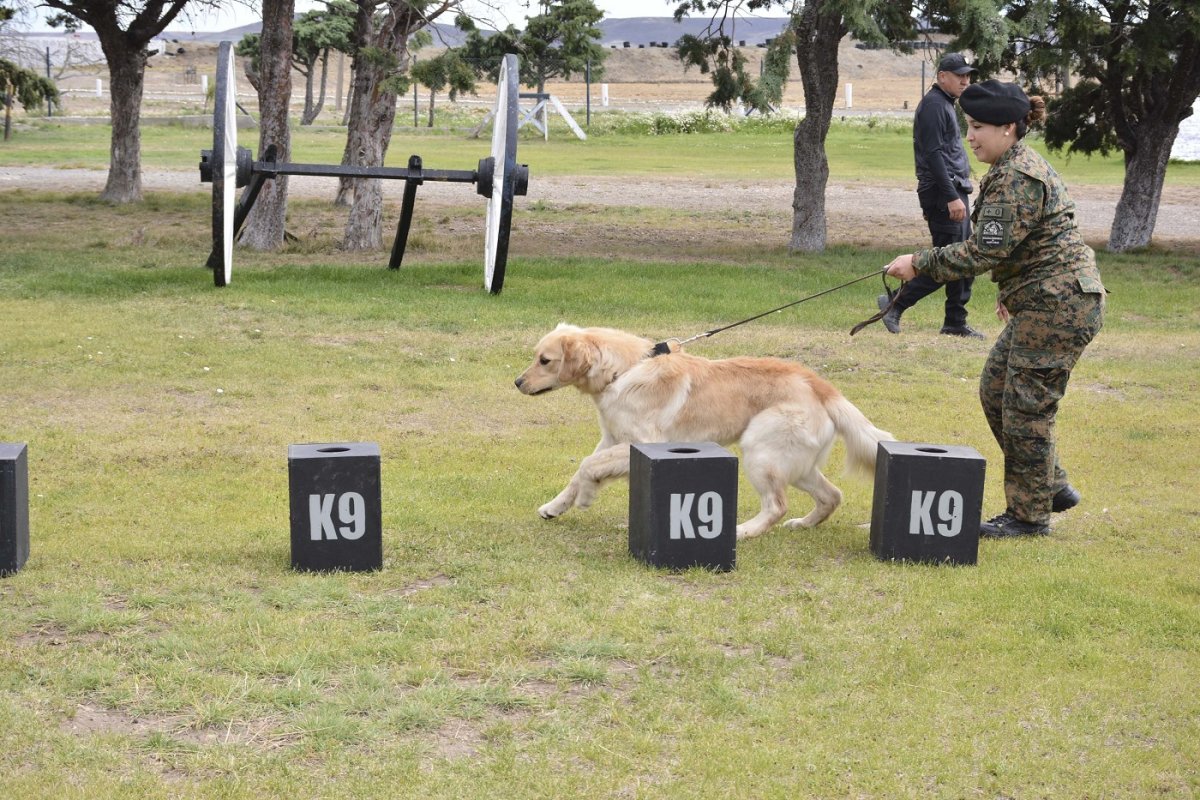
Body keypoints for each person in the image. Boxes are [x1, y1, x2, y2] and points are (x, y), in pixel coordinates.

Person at [883, 80, 1106, 538]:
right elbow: (1016, 247)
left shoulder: (1017, 176)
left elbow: (983, 253)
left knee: (1027, 408)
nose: (971, 137)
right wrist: (1010, 291)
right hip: (1044, 299)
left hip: (1060, 305)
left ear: (1009, 128)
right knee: (995, 389)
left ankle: (1029, 516)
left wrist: (918, 262)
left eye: (979, 127)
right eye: (968, 126)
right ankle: (1050, 485)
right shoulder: (1009, 167)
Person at [878, 52, 984, 339]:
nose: (965, 80)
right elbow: (933, 154)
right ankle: (894, 304)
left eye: (968, 75)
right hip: (942, 193)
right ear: (941, 77)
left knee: (962, 258)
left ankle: (955, 322)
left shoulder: (946, 104)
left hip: (952, 189)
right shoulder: (934, 106)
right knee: (949, 259)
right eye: (959, 75)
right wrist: (951, 196)